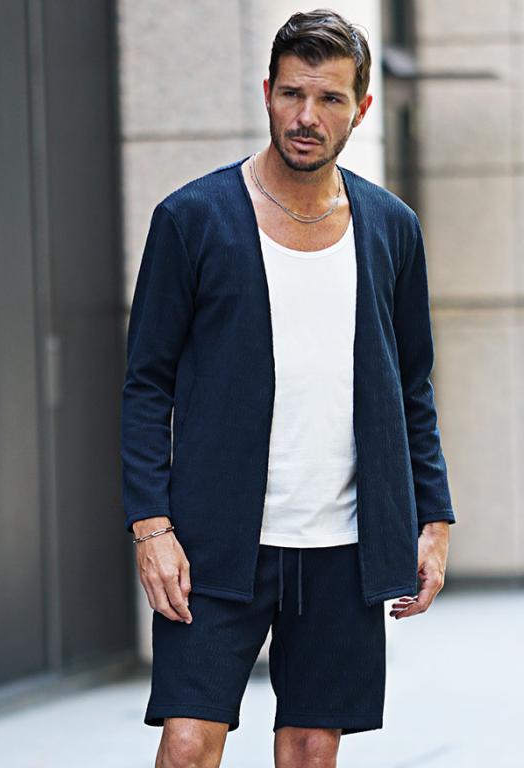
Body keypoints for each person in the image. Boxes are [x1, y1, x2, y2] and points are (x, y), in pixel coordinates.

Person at [120, 8, 456, 768]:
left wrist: (433, 518)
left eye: (330, 98)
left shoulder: (391, 227)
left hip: (343, 545)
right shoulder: (192, 219)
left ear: (361, 108)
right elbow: (145, 385)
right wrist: (151, 527)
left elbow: (412, 387)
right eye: (292, 94)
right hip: (214, 541)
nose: (307, 117)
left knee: (310, 748)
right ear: (266, 91)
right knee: (188, 744)